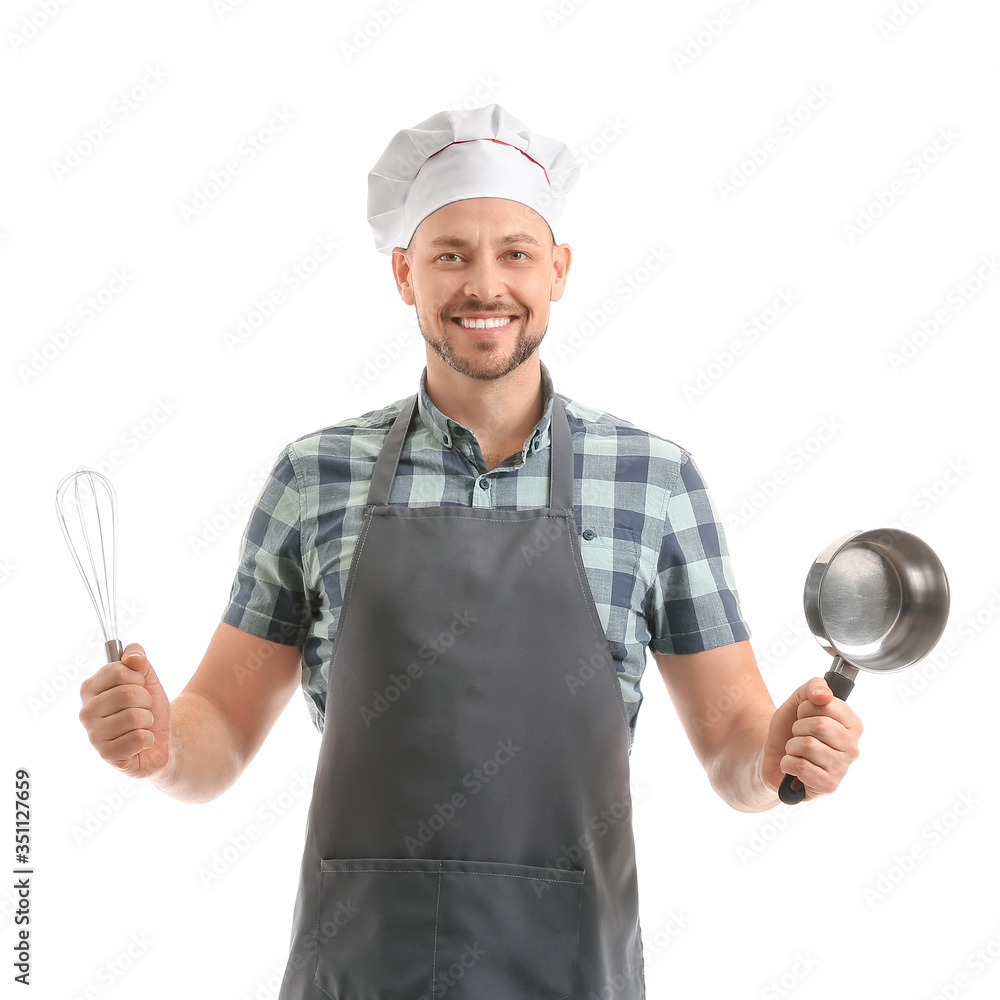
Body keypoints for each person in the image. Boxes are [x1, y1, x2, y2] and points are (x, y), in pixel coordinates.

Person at [78, 104, 863, 1000]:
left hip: (572, 968)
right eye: (450, 253)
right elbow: (213, 731)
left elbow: (734, 749)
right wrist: (157, 744)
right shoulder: (314, 476)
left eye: (516, 253)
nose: (484, 284)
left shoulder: (656, 481)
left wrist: (780, 761)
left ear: (559, 269)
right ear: (404, 274)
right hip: (362, 969)